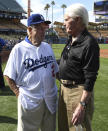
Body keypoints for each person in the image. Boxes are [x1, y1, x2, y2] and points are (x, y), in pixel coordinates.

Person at [4, 14, 59, 131]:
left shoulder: (47, 47)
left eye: (44, 28)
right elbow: (8, 75)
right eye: (39, 28)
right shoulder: (18, 49)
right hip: (29, 102)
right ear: (29, 29)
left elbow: (55, 69)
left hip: (50, 101)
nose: (43, 31)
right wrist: (18, 93)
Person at [58, 3, 100, 131]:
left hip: (78, 92)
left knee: (79, 128)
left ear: (78, 20)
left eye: (66, 20)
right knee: (63, 127)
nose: (64, 23)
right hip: (63, 90)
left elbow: (90, 77)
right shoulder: (71, 38)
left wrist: (82, 105)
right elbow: (69, 61)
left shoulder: (89, 43)